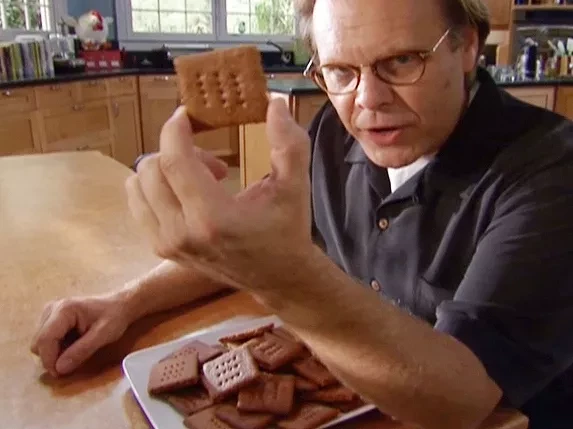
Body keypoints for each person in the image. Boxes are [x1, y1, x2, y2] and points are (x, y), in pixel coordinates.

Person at [31, 0, 573, 428]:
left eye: (403, 61)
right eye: (339, 70)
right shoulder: (334, 132)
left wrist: (284, 277)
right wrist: (124, 304)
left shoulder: (549, 170)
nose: (367, 100)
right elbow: (246, 243)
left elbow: (464, 401)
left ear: (466, 46)